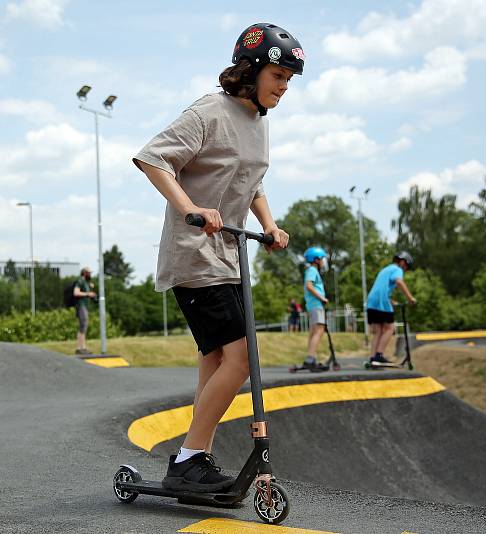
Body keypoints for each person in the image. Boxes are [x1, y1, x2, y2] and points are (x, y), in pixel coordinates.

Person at [132, 22, 303, 493]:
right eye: (279, 76)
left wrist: (268, 225)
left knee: (215, 360)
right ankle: (188, 457)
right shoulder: (210, 111)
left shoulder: (258, 123)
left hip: (229, 257)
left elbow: (252, 182)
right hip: (194, 256)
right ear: (251, 70)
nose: (284, 88)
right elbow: (153, 158)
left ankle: (194, 459)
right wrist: (189, 209)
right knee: (241, 360)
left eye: (290, 80)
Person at [366, 251, 416, 364]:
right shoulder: (397, 269)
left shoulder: (385, 269)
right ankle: (379, 355)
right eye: (407, 266)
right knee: (390, 328)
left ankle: (373, 358)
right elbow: (399, 282)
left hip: (372, 301)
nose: (405, 270)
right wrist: (410, 298)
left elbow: (381, 287)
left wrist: (390, 300)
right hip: (381, 301)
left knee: (378, 331)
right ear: (402, 262)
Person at [302, 246, 328, 369]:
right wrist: (322, 298)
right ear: (316, 259)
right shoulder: (312, 270)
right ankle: (310, 358)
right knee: (319, 330)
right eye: (322, 258)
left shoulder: (311, 270)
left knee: (314, 332)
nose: (323, 261)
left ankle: (311, 357)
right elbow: (309, 286)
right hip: (316, 305)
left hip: (313, 305)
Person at [73, 266, 97, 355]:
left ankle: (83, 347)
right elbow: (76, 293)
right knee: (83, 325)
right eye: (89, 273)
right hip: (81, 306)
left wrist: (90, 290)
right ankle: (80, 348)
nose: (90, 274)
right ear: (85, 273)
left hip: (85, 306)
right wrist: (88, 294)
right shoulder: (80, 281)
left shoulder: (86, 282)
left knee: (84, 325)